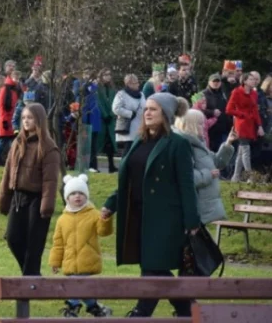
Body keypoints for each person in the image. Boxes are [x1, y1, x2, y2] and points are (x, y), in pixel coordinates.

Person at [100, 92, 199, 318]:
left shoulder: (178, 144)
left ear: (165, 114)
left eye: (153, 109)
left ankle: (141, 313)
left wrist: (192, 220)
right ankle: (189, 311)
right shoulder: (138, 141)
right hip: (138, 216)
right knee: (154, 267)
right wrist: (111, 204)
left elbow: (187, 185)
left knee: (153, 266)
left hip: (165, 218)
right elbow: (129, 181)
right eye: (146, 109)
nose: (147, 113)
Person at [0, 102, 62, 276]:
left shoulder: (48, 147)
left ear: (39, 120)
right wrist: (3, 199)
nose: (26, 121)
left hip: (37, 199)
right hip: (18, 198)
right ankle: (31, 275)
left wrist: (46, 205)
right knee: (13, 238)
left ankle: (30, 279)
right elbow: (8, 172)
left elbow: (50, 180)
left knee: (34, 244)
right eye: (24, 117)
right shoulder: (18, 143)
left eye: (30, 117)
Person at [49, 174, 114, 318]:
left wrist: (105, 220)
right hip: (70, 261)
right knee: (81, 287)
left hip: (87, 259)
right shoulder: (62, 219)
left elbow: (103, 232)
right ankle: (96, 308)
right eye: (73, 194)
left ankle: (72, 308)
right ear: (67, 198)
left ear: (86, 196)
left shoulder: (93, 214)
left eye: (81, 193)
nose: (77, 196)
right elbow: (58, 243)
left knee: (75, 285)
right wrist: (55, 262)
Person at [174, 109, 236, 224]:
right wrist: (209, 174)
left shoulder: (199, 144)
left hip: (204, 205)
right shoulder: (184, 145)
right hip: (195, 205)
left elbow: (217, 163)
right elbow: (185, 176)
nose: (204, 126)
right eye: (200, 123)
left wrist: (228, 144)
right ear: (191, 125)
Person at [226, 71, 265, 183]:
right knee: (245, 149)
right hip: (241, 123)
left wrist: (259, 125)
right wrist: (242, 114)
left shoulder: (254, 93)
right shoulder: (237, 92)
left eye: (254, 79)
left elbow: (255, 111)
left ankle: (236, 176)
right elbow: (229, 109)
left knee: (241, 151)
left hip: (250, 124)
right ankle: (250, 175)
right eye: (251, 79)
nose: (254, 81)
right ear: (245, 81)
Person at [0, 69, 22, 165]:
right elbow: (2, 107)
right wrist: (5, 121)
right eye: (16, 78)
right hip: (6, 120)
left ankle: (1, 160)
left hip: (9, 119)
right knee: (3, 142)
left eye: (18, 78)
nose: (17, 80)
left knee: (6, 142)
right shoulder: (6, 90)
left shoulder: (12, 90)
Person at [113, 74, 145, 151]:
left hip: (140, 128)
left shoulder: (141, 94)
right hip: (128, 129)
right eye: (136, 82)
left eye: (138, 82)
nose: (138, 84)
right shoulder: (121, 94)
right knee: (127, 153)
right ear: (129, 84)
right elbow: (116, 108)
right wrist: (129, 113)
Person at [96, 69, 118, 172]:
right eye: (105, 75)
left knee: (110, 143)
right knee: (98, 142)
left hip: (110, 119)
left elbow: (115, 102)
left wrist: (112, 114)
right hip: (101, 119)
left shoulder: (112, 88)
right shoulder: (98, 88)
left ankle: (111, 165)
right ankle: (94, 165)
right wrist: (105, 114)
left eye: (109, 74)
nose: (108, 77)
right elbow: (98, 102)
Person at [203, 73, 230, 152]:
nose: (216, 83)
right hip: (209, 129)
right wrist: (211, 112)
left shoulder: (224, 94)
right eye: (214, 81)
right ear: (209, 82)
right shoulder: (200, 94)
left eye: (218, 81)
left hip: (223, 128)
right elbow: (194, 109)